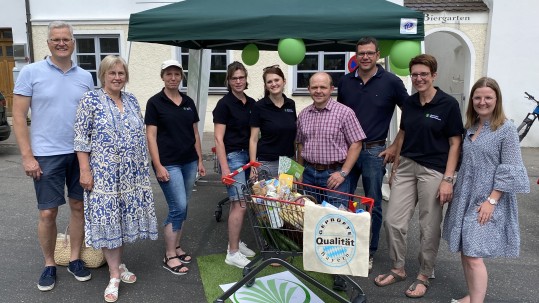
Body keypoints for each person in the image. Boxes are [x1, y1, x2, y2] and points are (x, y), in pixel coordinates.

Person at [12, 21, 94, 291]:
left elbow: (91, 118)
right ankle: (49, 263)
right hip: (46, 155)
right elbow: (19, 117)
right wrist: (27, 156)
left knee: (78, 207)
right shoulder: (31, 72)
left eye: (66, 39)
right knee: (47, 212)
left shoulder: (85, 76)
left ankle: (74, 259)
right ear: (48, 43)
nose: (61, 43)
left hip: (80, 153)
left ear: (73, 43)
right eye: (56, 39)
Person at [374, 54, 464, 299]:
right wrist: (394, 161)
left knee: (429, 225)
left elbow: (455, 143)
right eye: (415, 74)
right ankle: (398, 268)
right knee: (393, 220)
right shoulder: (410, 103)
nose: (419, 78)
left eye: (424, 74)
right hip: (406, 166)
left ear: (434, 75)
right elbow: (403, 132)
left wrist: (448, 179)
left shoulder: (448, 105)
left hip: (433, 170)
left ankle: (424, 274)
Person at [74, 55, 158, 303]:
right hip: (103, 175)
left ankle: (119, 264)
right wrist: (84, 170)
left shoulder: (131, 100)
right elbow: (81, 139)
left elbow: (139, 135)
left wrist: (143, 167)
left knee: (120, 222)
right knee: (108, 220)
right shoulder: (90, 99)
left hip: (131, 175)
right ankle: (113, 276)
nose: (117, 77)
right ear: (103, 75)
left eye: (121, 73)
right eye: (112, 73)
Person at [442, 77, 530, 303]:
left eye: (488, 97)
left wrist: (491, 201)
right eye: (478, 97)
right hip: (466, 195)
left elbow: (511, 168)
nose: (482, 101)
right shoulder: (472, 126)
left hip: (488, 198)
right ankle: (472, 296)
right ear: (472, 100)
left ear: (497, 99)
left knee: (473, 254)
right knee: (466, 249)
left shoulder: (506, 129)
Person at [337, 36, 409, 272]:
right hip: (347, 151)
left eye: (369, 53)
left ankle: (369, 251)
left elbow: (410, 116)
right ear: (355, 56)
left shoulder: (391, 82)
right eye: (361, 53)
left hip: (374, 151)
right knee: (342, 202)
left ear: (378, 54)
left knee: (373, 204)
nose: (365, 57)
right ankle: (343, 249)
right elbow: (338, 116)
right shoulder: (346, 82)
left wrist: (395, 146)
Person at [296, 72, 365, 290]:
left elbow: (356, 144)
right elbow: (300, 144)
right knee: (312, 221)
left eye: (322, 87)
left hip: (334, 175)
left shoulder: (344, 113)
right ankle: (317, 262)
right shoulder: (304, 114)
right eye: (314, 87)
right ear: (308, 89)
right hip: (309, 173)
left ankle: (339, 273)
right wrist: (299, 172)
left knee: (337, 225)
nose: (318, 91)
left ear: (331, 88)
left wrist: (343, 173)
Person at [145, 60, 206, 275]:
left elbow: (195, 133)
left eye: (176, 74)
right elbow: (151, 137)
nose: (173, 78)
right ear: (163, 76)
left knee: (184, 205)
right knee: (177, 206)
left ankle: (177, 247)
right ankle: (169, 255)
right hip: (168, 163)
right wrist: (159, 165)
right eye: (169, 74)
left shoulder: (188, 101)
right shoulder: (155, 102)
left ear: (181, 77)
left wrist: (199, 160)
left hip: (189, 161)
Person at [213, 61, 257, 269]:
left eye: (241, 77)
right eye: (234, 78)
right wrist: (225, 168)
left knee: (239, 203)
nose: (238, 81)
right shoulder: (224, 104)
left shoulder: (251, 103)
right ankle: (232, 252)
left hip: (249, 157)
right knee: (239, 204)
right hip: (233, 158)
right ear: (228, 81)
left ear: (246, 78)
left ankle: (236, 241)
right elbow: (218, 139)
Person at [249, 65, 297, 177]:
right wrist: (253, 165)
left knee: (287, 194)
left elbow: (294, 135)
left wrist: (295, 160)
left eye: (277, 80)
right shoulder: (259, 106)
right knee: (269, 194)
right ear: (265, 86)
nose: (274, 84)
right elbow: (253, 139)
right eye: (269, 81)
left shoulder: (291, 104)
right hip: (267, 162)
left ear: (284, 81)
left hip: (287, 161)